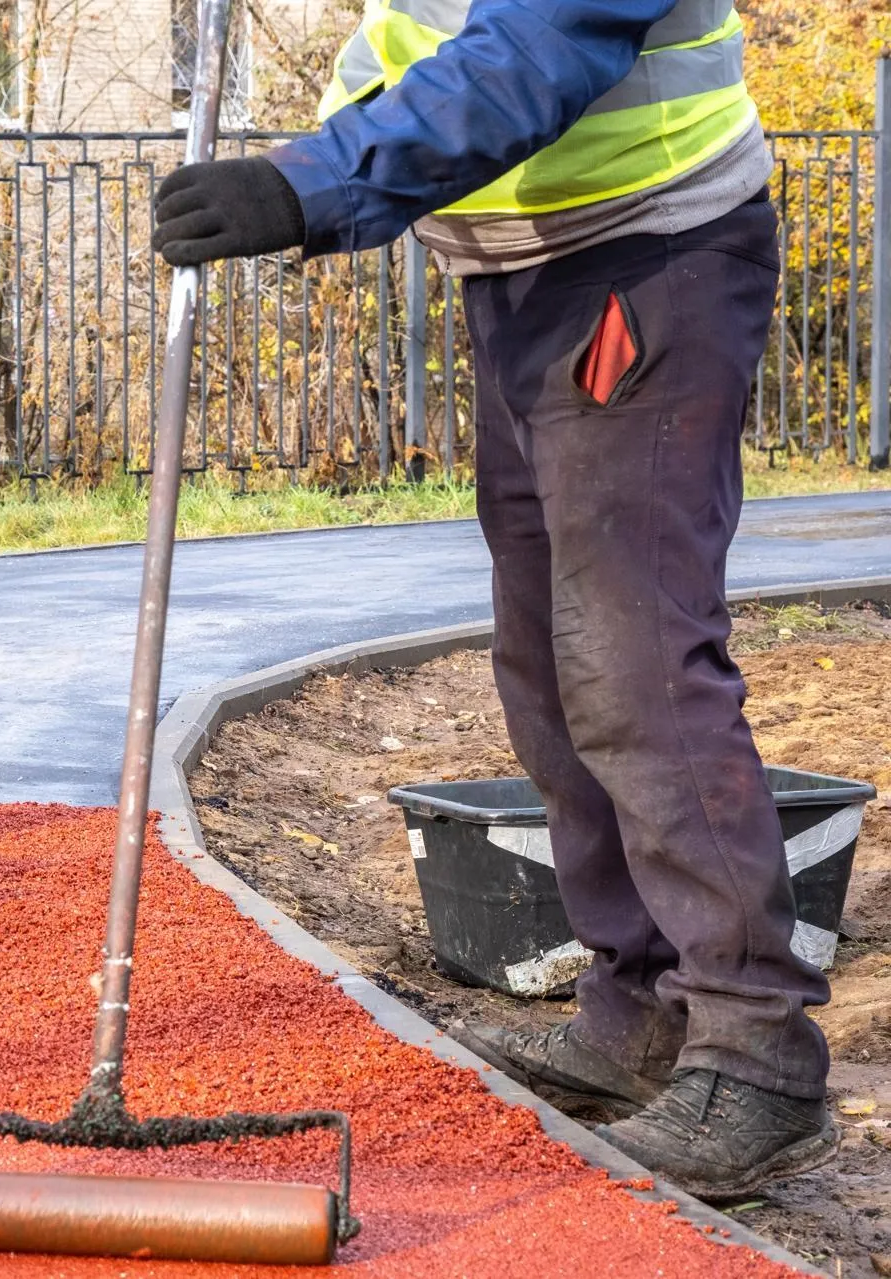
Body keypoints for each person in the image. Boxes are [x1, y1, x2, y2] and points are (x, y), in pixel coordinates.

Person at [152, 0, 834, 1198]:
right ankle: (639, 1010)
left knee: (636, 661)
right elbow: (405, 50)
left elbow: (537, 52)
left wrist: (313, 182)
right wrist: (324, 153)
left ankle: (757, 1047)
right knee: (550, 659)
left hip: (653, 255)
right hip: (530, 279)